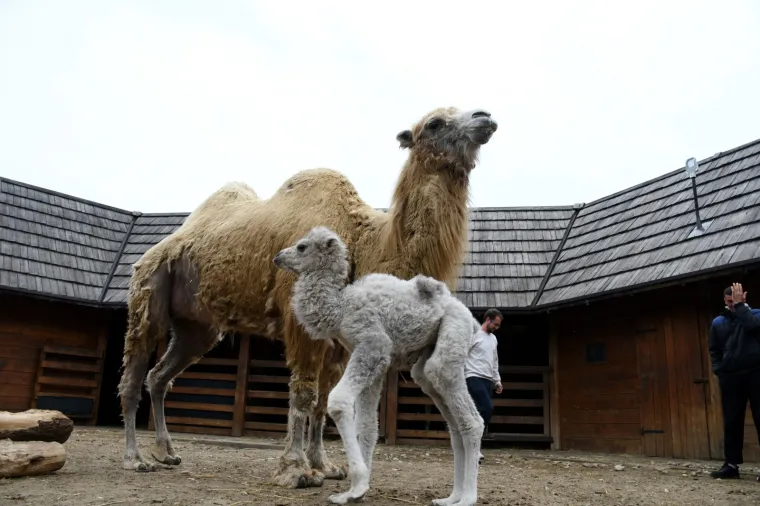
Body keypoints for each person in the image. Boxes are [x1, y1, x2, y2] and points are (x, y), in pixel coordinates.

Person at [708, 282, 760, 481]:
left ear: (744, 297)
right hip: (731, 377)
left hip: (756, 373)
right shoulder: (718, 322)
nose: (732, 304)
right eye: (729, 301)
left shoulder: (755, 314)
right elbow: (714, 349)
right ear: (724, 300)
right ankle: (731, 465)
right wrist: (719, 369)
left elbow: (754, 328)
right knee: (732, 421)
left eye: (735, 300)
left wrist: (740, 307)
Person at [464, 308, 503, 464]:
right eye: (496, 324)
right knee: (487, 408)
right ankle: (472, 445)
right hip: (473, 376)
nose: (497, 328)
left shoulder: (493, 339)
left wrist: (497, 380)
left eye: (499, 325)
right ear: (488, 319)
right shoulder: (474, 335)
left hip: (487, 379)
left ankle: (473, 446)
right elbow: (463, 354)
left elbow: (494, 360)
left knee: (481, 413)